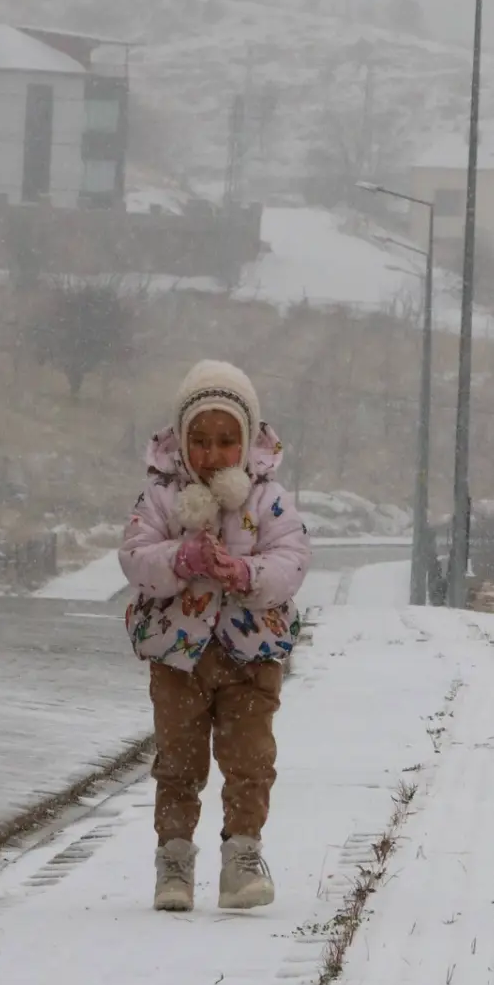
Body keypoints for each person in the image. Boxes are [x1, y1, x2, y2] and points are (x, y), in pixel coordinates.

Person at [120, 360, 311, 913]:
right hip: (178, 656)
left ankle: (243, 857)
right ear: (180, 442)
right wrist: (181, 558)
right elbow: (134, 558)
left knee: (250, 759)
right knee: (177, 762)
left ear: (248, 442)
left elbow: (293, 558)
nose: (212, 454)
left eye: (227, 441)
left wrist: (248, 575)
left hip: (252, 657)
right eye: (199, 441)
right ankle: (174, 860)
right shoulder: (159, 498)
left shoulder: (268, 500)